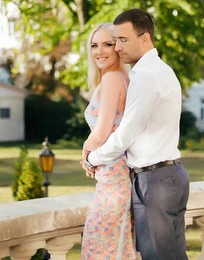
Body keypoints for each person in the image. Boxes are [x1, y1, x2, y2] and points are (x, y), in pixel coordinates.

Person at [83, 9, 190, 260]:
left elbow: (123, 135)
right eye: (115, 41)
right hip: (170, 174)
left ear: (144, 38)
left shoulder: (144, 76)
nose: (118, 48)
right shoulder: (159, 70)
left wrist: (91, 158)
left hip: (155, 180)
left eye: (122, 40)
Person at [80, 23, 136, 260]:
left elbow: (102, 130)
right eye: (94, 45)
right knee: (114, 251)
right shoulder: (121, 77)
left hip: (114, 181)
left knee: (98, 250)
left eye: (107, 44)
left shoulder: (113, 78)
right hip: (114, 178)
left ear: (118, 48)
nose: (99, 51)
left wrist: (85, 151)